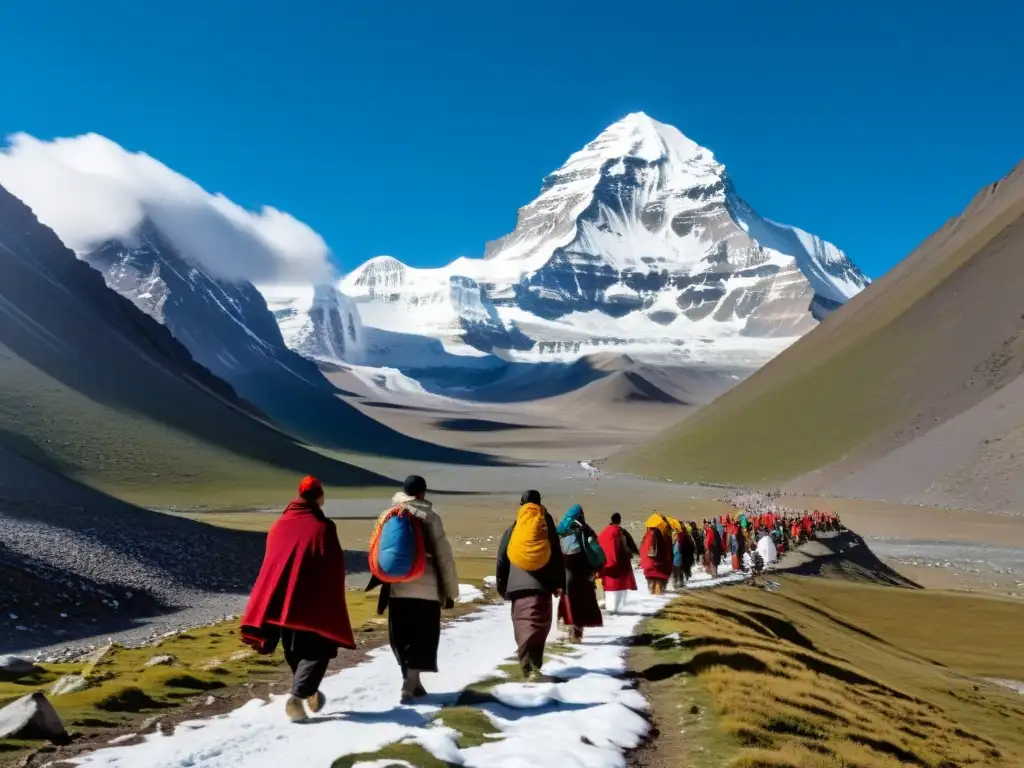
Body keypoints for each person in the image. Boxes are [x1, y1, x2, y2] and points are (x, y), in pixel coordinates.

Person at [241, 476, 355, 722]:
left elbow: (274, 563)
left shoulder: (280, 525)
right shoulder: (323, 527)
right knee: (319, 650)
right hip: (312, 602)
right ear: (318, 497)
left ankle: (309, 691)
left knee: (295, 651)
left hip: (283, 603)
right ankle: (296, 698)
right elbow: (332, 564)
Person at [378, 475, 459, 703]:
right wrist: (451, 592)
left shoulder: (389, 515)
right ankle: (410, 683)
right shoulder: (430, 517)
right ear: (423, 493)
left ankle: (412, 682)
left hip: (398, 588)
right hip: (428, 591)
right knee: (421, 638)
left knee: (402, 637)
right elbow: (444, 556)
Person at [496, 490, 565, 680]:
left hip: (517, 586)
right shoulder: (546, 527)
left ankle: (528, 668)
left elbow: (502, 559)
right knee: (539, 626)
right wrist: (559, 583)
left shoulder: (514, 529)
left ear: (521, 505)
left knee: (523, 625)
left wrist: (502, 586)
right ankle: (534, 667)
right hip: (542, 585)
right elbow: (558, 557)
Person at [555, 505, 604, 641]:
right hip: (582, 572)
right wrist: (597, 567)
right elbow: (595, 551)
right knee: (581, 602)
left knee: (567, 601)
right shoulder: (585, 529)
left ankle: (569, 630)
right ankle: (577, 633)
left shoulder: (560, 531)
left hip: (565, 572)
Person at [598, 513, 638, 613]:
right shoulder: (621, 532)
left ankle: (606, 603)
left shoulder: (604, 532)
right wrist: (633, 553)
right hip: (619, 562)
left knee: (606, 585)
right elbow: (628, 545)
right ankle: (616, 608)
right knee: (619, 586)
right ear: (619, 520)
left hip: (604, 561)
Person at [640, 513, 673, 594]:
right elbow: (663, 551)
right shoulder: (659, 534)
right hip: (656, 564)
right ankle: (658, 600)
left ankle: (653, 601)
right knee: (659, 584)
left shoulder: (646, 535)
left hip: (646, 564)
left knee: (651, 586)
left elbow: (642, 550)